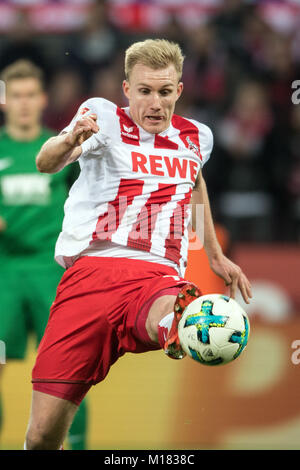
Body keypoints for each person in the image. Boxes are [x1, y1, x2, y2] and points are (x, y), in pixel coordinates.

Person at [24, 39, 252, 450]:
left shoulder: (198, 138)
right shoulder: (103, 118)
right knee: (41, 436)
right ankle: (176, 325)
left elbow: (194, 183)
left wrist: (215, 256)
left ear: (178, 91)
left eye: (165, 92)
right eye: (144, 91)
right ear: (127, 89)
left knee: (180, 307)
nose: (155, 103)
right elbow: (46, 162)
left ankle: (179, 327)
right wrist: (72, 138)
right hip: (90, 276)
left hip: (156, 275)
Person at [0, 60, 88, 450]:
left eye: (29, 95)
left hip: (52, 275)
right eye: (15, 95)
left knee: (69, 374)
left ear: (42, 99)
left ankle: (79, 445)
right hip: (3, 276)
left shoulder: (61, 149)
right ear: (5, 101)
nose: (22, 103)